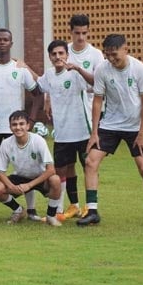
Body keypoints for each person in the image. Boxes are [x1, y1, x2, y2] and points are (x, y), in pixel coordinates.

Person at [78, 34, 143, 226]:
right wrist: (94, 133)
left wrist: (142, 134)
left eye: (115, 55)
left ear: (126, 49)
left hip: (135, 127)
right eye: (107, 55)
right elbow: (97, 101)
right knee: (90, 161)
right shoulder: (102, 69)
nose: (111, 59)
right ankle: (92, 211)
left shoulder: (140, 69)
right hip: (110, 125)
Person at [0, 28, 42, 221]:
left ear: (11, 43)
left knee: (26, 169)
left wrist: (31, 119)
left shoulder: (19, 69)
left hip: (17, 129)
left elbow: (37, 93)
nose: (2, 43)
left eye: (6, 40)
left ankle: (31, 210)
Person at [36, 40, 94, 219]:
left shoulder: (75, 74)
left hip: (82, 131)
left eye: (61, 53)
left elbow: (93, 83)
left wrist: (78, 69)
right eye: (54, 54)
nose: (58, 57)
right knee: (63, 170)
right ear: (50, 57)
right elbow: (39, 85)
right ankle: (65, 207)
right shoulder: (49, 74)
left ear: (67, 55)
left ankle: (89, 207)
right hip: (62, 133)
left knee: (88, 168)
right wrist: (25, 67)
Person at [56, 14, 104, 219]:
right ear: (71, 32)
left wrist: (78, 69)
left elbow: (99, 83)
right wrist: (50, 101)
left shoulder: (95, 54)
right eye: (77, 33)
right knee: (67, 166)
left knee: (88, 163)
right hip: (65, 120)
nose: (81, 37)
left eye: (85, 33)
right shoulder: (64, 51)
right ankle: (74, 204)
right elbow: (55, 76)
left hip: (86, 118)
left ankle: (89, 205)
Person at [0, 111, 63, 226]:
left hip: (39, 177)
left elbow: (51, 169)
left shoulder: (38, 140)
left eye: (21, 124)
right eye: (14, 124)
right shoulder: (6, 143)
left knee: (55, 180)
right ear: (10, 127)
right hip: (20, 176)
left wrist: (29, 185)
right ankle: (19, 210)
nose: (18, 127)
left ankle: (51, 216)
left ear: (28, 126)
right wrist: (11, 186)